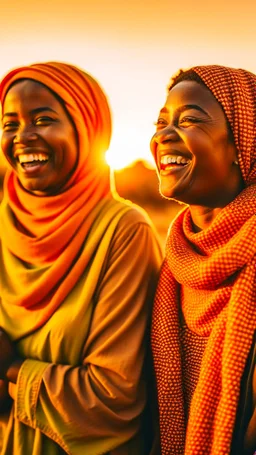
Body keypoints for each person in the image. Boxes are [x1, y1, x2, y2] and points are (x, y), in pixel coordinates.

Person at [0, 62, 163, 455]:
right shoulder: (3, 219)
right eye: (10, 123)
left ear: (88, 128)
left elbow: (112, 398)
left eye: (43, 119)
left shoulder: (124, 231)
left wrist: (9, 369)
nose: (24, 136)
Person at [150, 65, 256, 455]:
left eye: (190, 119)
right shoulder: (174, 261)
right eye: (161, 122)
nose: (162, 135)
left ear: (242, 145)